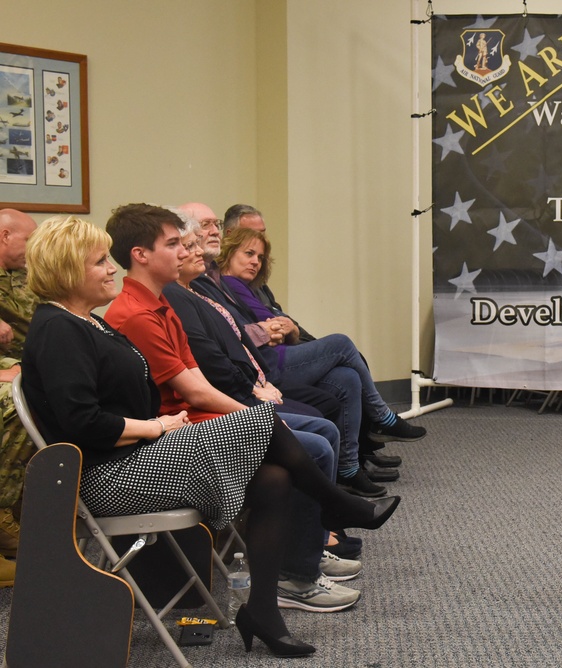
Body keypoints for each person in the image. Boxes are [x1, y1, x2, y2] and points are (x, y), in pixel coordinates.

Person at [20, 215, 400, 658]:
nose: (111, 268)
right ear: (67, 270)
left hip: (133, 457)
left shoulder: (87, 322)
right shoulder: (58, 330)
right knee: (261, 421)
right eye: (100, 261)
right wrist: (158, 427)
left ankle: (262, 610)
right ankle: (335, 502)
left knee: (274, 477)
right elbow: (82, 423)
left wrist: (155, 429)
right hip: (104, 479)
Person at [102, 203, 360, 612]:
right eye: (174, 244)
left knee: (305, 446)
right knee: (314, 447)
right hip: (177, 432)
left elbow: (199, 377)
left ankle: (301, 563)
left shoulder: (163, 303)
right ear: (142, 255)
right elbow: (197, 392)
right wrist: (251, 413)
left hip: (195, 418)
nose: (192, 252)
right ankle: (312, 549)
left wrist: (250, 407)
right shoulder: (136, 312)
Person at [216, 226, 425, 495]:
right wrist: (280, 327)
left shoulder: (247, 286)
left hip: (275, 356)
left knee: (346, 377)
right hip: (269, 366)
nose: (255, 261)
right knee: (341, 343)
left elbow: (276, 325)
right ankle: (382, 416)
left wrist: (280, 328)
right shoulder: (229, 283)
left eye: (260, 257)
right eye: (248, 254)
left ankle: (349, 469)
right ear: (229, 252)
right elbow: (268, 321)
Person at [0, 208, 38, 585]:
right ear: (4, 237)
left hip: (19, 365)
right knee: (18, 400)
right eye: (29, 239)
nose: (34, 247)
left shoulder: (24, 277)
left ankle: (30, 514)